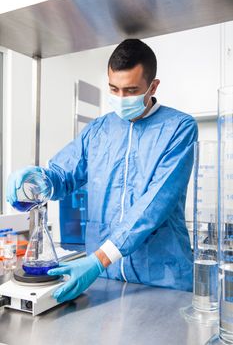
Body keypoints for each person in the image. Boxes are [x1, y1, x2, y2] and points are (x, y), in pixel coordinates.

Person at [7, 39, 198, 303]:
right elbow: (62, 175)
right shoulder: (98, 130)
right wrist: (35, 180)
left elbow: (153, 206)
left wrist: (98, 259)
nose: (120, 99)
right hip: (105, 280)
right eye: (113, 88)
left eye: (130, 90)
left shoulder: (179, 128)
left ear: (152, 86)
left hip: (161, 281)